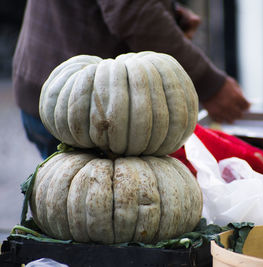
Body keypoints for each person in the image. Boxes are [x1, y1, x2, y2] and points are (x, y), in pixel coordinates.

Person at [12, 0, 250, 159]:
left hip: (75, 92)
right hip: (80, 104)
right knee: (92, 219)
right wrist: (209, 84)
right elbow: (133, 11)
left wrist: (168, 11)